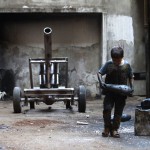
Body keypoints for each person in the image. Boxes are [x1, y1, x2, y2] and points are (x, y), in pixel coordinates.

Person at [98, 46, 134, 138]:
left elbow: (131, 76)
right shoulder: (109, 64)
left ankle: (114, 129)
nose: (116, 62)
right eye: (114, 60)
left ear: (122, 57)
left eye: (118, 60)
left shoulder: (126, 65)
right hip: (109, 92)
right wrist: (101, 82)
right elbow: (99, 73)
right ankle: (107, 128)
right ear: (112, 58)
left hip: (121, 94)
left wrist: (131, 87)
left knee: (118, 112)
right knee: (107, 109)